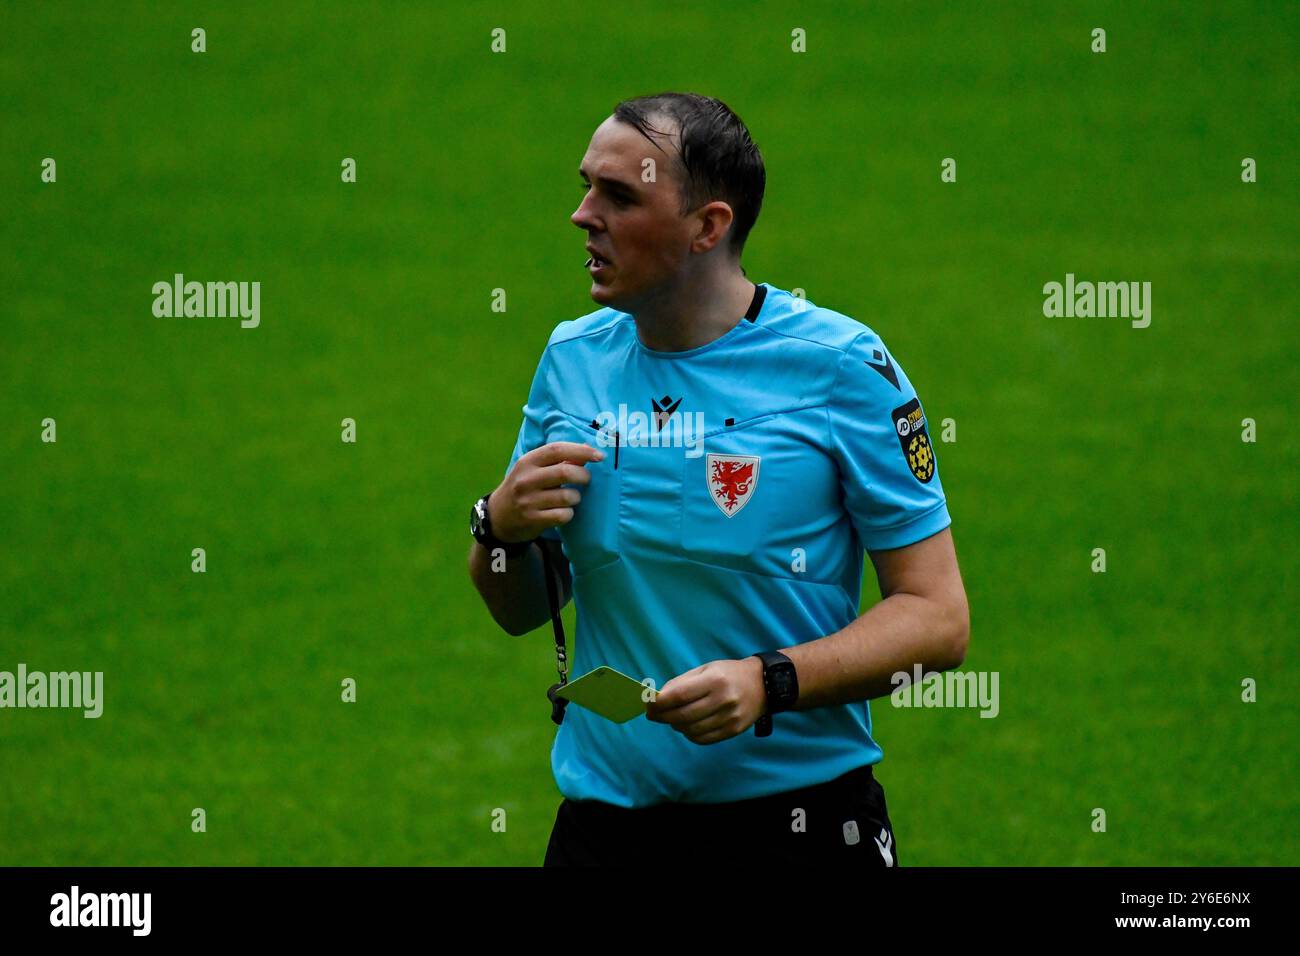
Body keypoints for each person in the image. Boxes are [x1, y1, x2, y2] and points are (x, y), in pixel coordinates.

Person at [467, 92, 970, 867]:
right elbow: (523, 608)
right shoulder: (574, 360)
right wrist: (497, 527)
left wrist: (770, 681)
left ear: (708, 227)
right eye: (584, 186)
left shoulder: (842, 369)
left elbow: (937, 619)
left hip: (797, 829)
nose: (583, 215)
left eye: (619, 195)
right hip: (607, 829)